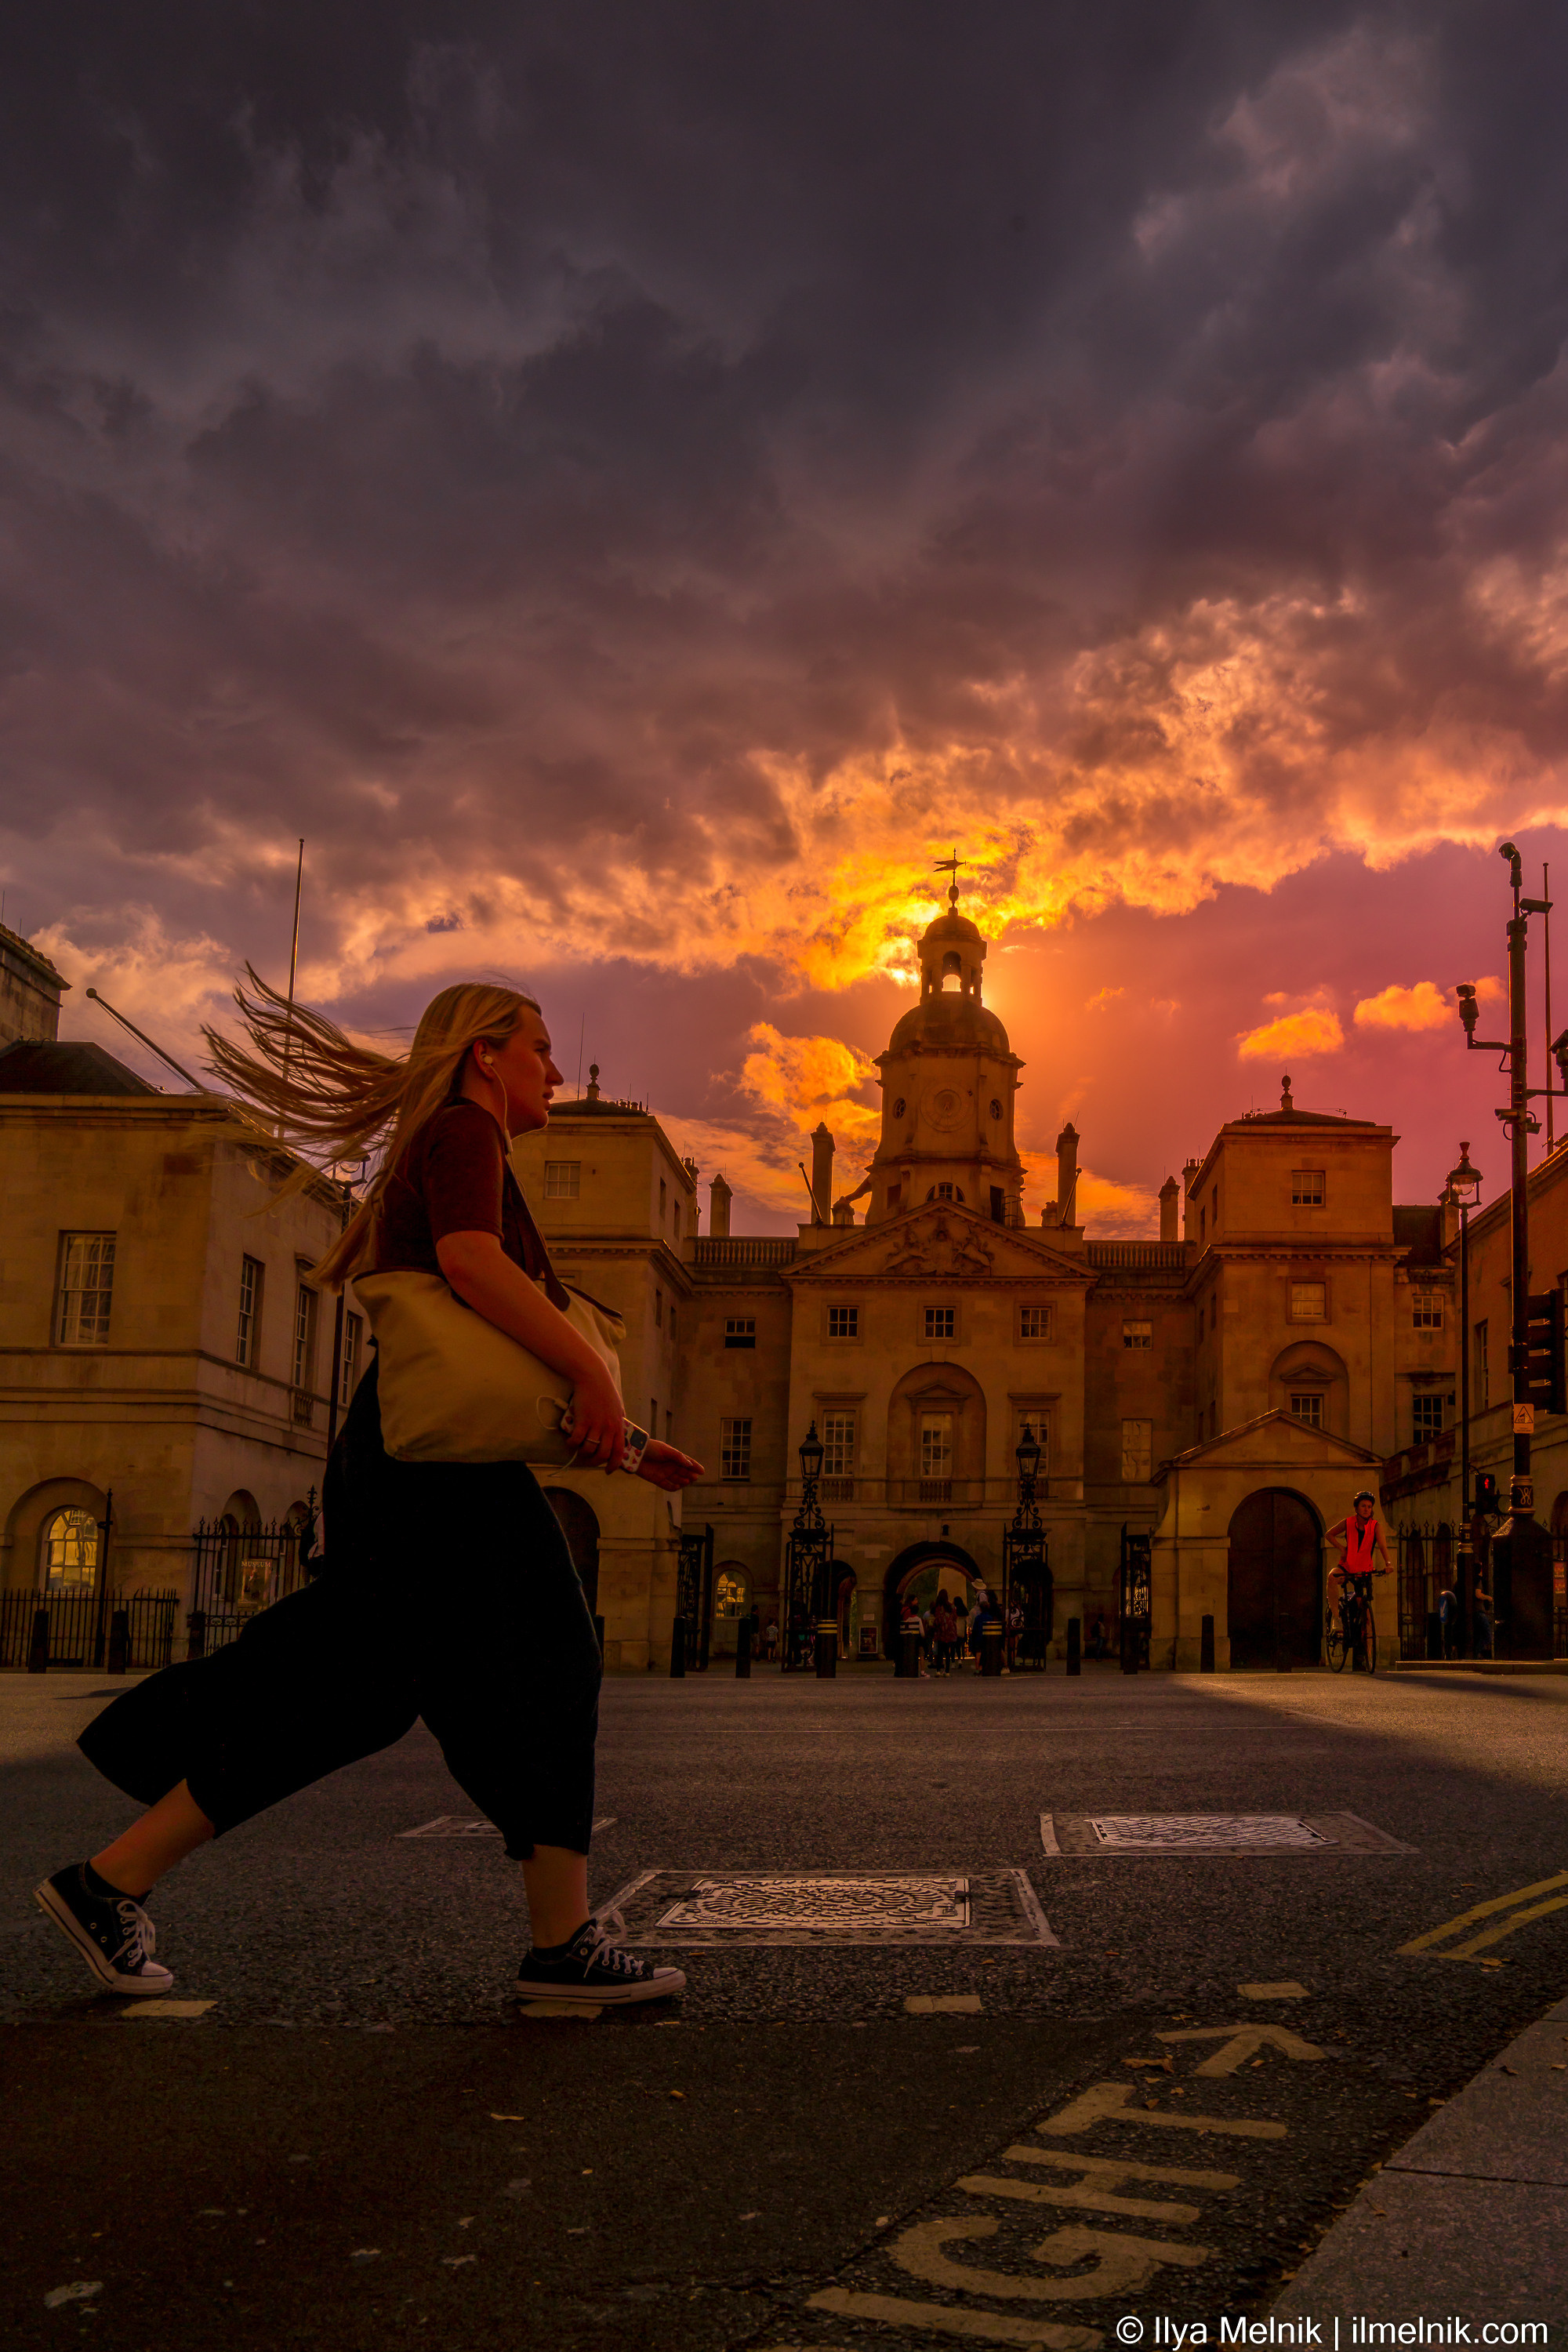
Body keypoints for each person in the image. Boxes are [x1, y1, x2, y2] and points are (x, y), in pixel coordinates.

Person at [35, 973, 702, 2007]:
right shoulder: (465, 1132)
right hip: (430, 1470)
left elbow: (483, 1380)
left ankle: (108, 1882)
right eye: (538, 1046)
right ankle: (561, 1944)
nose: (554, 1068)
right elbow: (473, 1268)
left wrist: (627, 1442)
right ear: (485, 1052)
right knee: (549, 1660)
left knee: (355, 1693)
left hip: (405, 1455)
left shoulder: (452, 1141)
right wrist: (594, 1373)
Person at [1327, 1490, 1391, 1670]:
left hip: (1364, 1570)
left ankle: (1368, 1655)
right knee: (1332, 1577)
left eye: (1369, 1507)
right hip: (1347, 1566)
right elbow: (1329, 1534)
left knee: (1367, 1616)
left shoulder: (1376, 1526)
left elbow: (1383, 1546)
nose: (1366, 1509)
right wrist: (1342, 1548)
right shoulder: (1348, 1522)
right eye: (1363, 1506)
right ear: (1357, 1508)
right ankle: (1336, 1619)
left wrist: (1388, 1564)